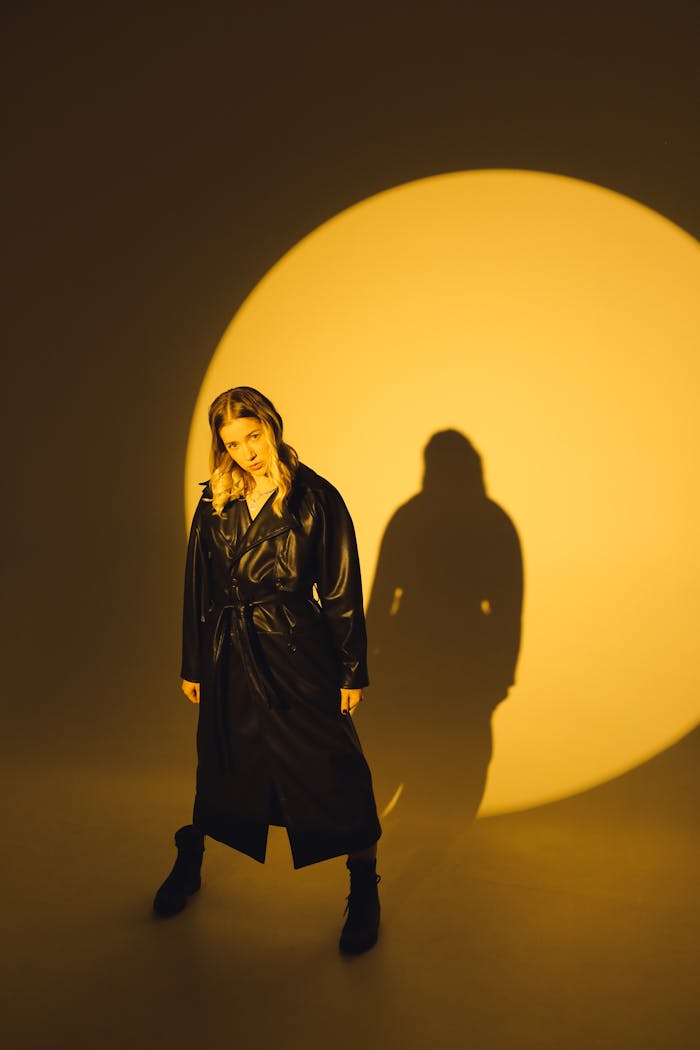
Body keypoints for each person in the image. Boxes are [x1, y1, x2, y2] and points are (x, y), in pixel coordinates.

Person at [153, 385, 383, 955]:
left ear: (271, 425)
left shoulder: (314, 497)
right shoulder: (215, 502)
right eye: (233, 443)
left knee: (334, 767)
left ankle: (364, 884)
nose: (248, 451)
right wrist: (193, 662)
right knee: (225, 760)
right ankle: (191, 858)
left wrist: (351, 668)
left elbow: (340, 589)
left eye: (253, 435)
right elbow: (197, 587)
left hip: (298, 650)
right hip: (228, 650)